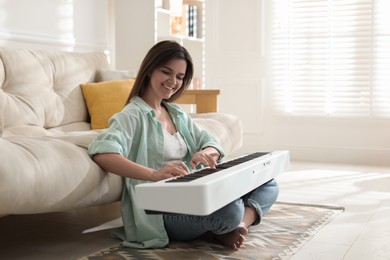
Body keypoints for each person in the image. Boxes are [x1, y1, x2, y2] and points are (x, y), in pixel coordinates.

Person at [88, 40, 279, 249]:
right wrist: (153, 174)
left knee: (268, 182)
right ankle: (227, 224)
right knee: (230, 209)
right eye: (166, 72)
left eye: (180, 77)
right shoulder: (131, 115)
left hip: (193, 195)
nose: (173, 81)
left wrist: (206, 153)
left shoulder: (176, 114)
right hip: (161, 212)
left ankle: (239, 225)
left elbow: (211, 142)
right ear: (150, 70)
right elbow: (103, 152)